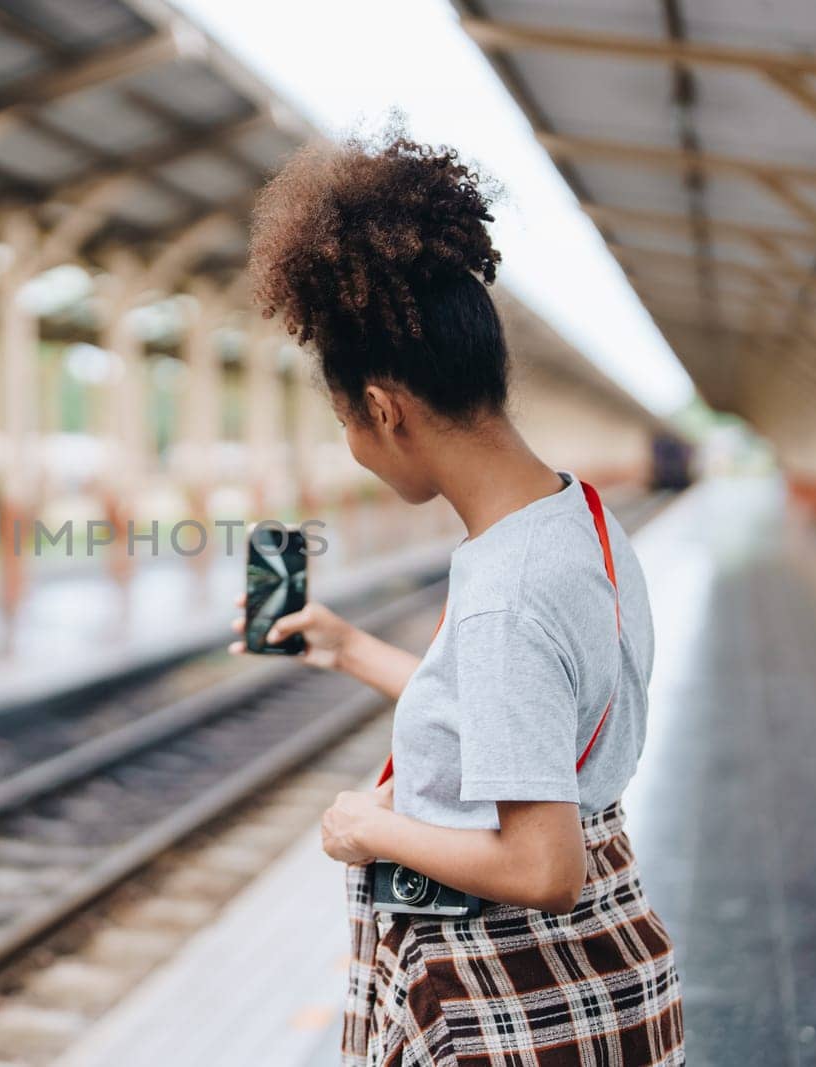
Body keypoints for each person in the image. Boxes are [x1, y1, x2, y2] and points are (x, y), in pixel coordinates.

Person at [230, 135, 683, 1065]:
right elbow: (516, 708)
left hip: (510, 1006)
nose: (354, 444)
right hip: (608, 981)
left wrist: (369, 825)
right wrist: (349, 647)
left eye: (347, 421)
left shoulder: (505, 596)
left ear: (384, 409)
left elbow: (542, 868)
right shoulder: (574, 517)